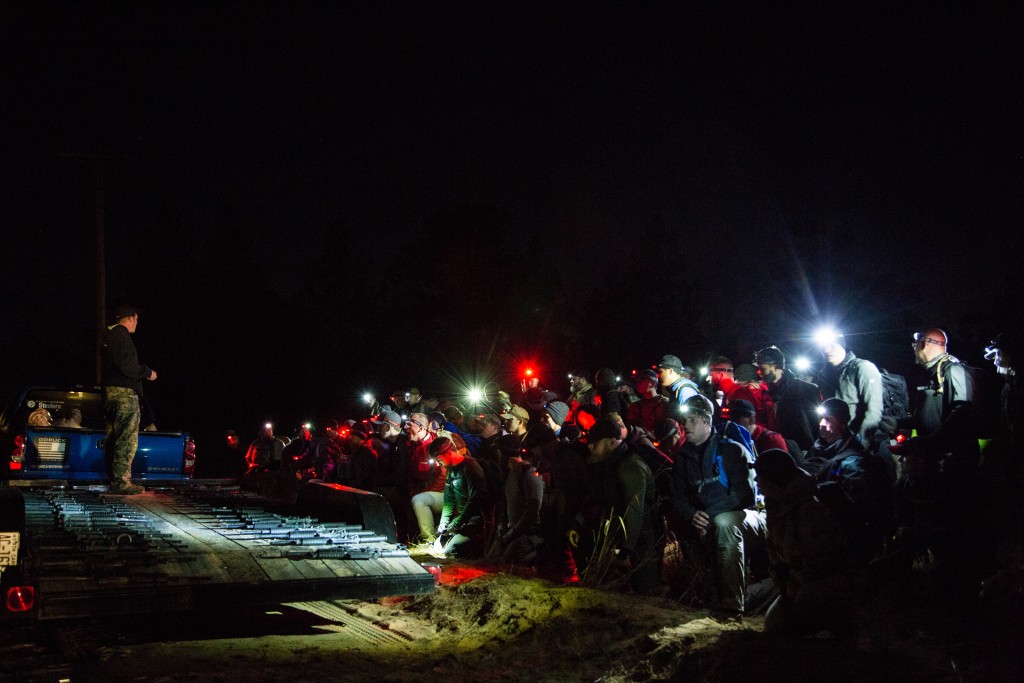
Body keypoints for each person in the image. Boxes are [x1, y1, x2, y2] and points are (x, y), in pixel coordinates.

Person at [668, 396, 766, 617]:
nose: (685, 425)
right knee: (681, 521)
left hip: (746, 515)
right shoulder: (683, 458)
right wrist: (692, 515)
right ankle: (704, 590)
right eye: (684, 420)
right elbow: (678, 496)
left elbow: (743, 495)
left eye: (692, 420)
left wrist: (708, 516)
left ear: (706, 421)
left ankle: (733, 605)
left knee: (723, 524)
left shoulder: (732, 450)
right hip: (705, 517)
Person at [755, 449, 863, 636]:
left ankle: (841, 628)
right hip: (800, 582)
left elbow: (824, 561)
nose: (757, 481)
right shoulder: (778, 507)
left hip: (834, 580)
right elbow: (776, 557)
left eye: (760, 476)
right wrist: (785, 587)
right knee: (774, 623)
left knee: (807, 602)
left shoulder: (810, 508)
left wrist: (793, 587)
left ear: (774, 480)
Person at [803, 398, 894, 560]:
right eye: (820, 419)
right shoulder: (817, 451)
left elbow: (856, 510)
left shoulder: (853, 461)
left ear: (843, 423)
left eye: (829, 419)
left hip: (840, 539)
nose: (821, 424)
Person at [578, 418, 659, 593]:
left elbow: (635, 509)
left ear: (612, 442)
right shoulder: (610, 463)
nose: (590, 447)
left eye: (595, 443)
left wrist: (626, 549)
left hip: (641, 538)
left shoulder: (630, 466)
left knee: (644, 591)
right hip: (624, 536)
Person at [102, 304, 157, 495]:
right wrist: (147, 372)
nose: (137, 324)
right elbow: (127, 365)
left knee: (114, 436)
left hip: (111, 392)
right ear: (131, 318)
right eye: (136, 319)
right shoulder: (121, 336)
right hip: (124, 393)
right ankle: (122, 482)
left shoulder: (109, 335)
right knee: (127, 437)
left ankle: (115, 479)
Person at [814, 330, 884, 442]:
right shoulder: (823, 375)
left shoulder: (862, 368)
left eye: (832, 345)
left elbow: (874, 410)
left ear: (842, 345)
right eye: (823, 346)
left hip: (860, 442)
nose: (827, 350)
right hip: (835, 442)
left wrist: (860, 441)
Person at [754, 345, 821, 452]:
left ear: (776, 366)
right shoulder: (766, 393)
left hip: (803, 451)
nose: (760, 373)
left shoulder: (806, 389)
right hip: (779, 450)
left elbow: (816, 424)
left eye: (763, 368)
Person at [431, 436, 488, 558]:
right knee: (437, 548)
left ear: (447, 453)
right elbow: (449, 501)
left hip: (474, 522)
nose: (437, 463)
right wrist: (443, 527)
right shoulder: (450, 470)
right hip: (460, 521)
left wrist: (456, 524)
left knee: (450, 551)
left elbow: (475, 500)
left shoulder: (471, 467)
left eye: (438, 459)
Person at [626, 369, 667, 433]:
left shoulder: (664, 403)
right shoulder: (635, 406)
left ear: (653, 384)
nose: (638, 383)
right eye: (637, 380)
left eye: (642, 380)